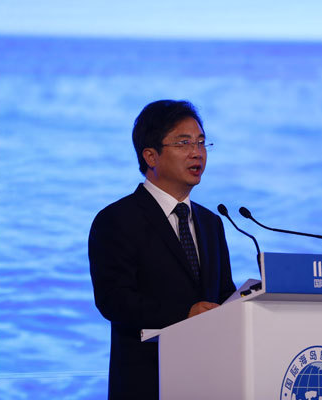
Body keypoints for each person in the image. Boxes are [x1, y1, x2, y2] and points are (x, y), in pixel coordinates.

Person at [88, 100, 236, 399]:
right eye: (184, 143)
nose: (197, 152)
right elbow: (113, 300)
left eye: (201, 142)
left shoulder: (211, 223)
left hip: (209, 382)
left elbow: (223, 294)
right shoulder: (117, 219)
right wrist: (185, 313)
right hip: (146, 382)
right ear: (151, 156)